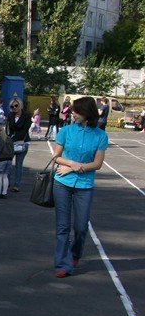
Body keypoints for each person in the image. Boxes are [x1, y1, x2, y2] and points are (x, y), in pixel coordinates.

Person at [52, 96, 108, 278]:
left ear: (86, 113)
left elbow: (98, 163)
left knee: (81, 227)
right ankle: (63, 264)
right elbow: (56, 156)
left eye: (76, 111)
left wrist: (76, 167)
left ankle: (75, 254)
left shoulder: (100, 135)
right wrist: (69, 164)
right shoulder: (66, 131)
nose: (72, 114)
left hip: (85, 185)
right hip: (62, 183)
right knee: (63, 227)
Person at [5, 97, 31, 192]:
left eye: (16, 105)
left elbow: (24, 131)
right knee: (7, 164)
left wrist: (12, 138)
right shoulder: (10, 115)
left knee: (18, 165)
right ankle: (6, 182)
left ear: (20, 105)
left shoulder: (26, 116)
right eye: (12, 106)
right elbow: (8, 129)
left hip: (22, 143)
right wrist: (7, 139)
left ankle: (17, 184)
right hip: (11, 143)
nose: (14, 108)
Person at [0, 125, 14, 198]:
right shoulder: (9, 139)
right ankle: (4, 193)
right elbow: (13, 148)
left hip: (1, 159)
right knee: (5, 176)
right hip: (9, 159)